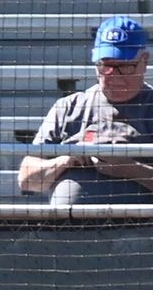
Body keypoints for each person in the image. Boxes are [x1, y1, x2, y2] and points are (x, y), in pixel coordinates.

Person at [18, 15, 153, 205]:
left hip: (137, 230)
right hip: (70, 230)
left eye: (124, 66)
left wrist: (129, 168)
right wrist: (67, 159)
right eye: (106, 65)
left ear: (144, 61)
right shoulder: (67, 108)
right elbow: (26, 179)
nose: (113, 75)